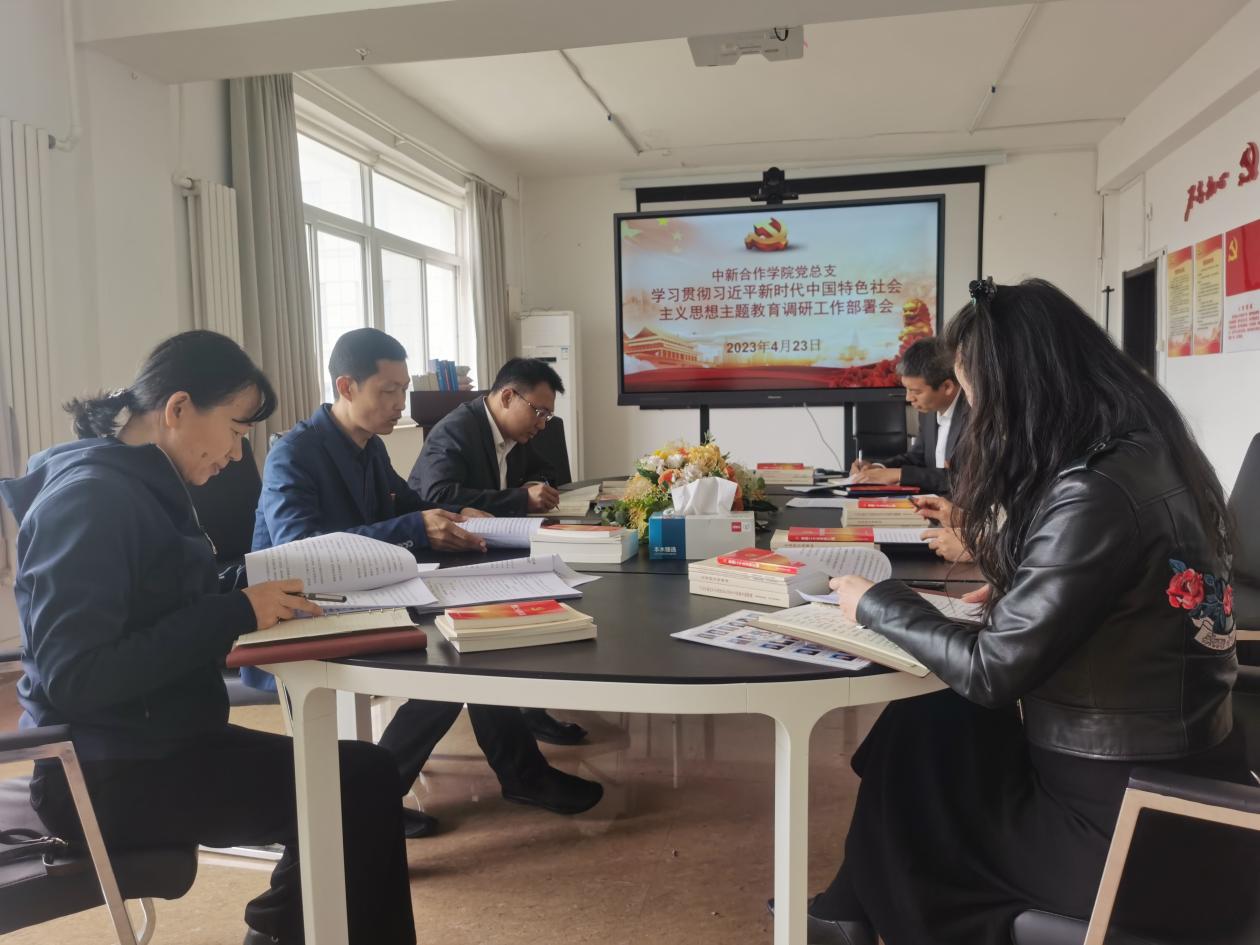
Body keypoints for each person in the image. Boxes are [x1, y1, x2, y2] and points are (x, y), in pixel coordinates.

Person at [803, 279, 1249, 945]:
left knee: (921, 796)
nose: (977, 413)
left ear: (1022, 389)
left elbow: (993, 672)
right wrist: (1025, 588)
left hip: (1126, 827)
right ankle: (847, 909)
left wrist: (878, 602)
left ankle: (853, 910)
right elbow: (1123, 593)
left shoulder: (1095, 491)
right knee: (928, 716)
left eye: (976, 394)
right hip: (1182, 776)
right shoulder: (1152, 455)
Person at [0, 331, 415, 945]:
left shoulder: (135, 483)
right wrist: (234, 611)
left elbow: (153, 602)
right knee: (359, 783)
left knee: (361, 776)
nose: (238, 453)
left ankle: (276, 931)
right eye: (237, 428)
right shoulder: (91, 499)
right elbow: (77, 676)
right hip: (108, 774)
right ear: (178, 408)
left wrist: (245, 588)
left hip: (156, 742)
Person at [253, 329, 602, 838]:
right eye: (388, 391)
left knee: (472, 645)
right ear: (346, 387)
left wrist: (457, 513)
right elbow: (299, 547)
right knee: (449, 663)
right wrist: (416, 526)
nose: (401, 403)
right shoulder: (295, 452)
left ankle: (518, 775)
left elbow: (408, 502)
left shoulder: (369, 448)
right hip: (303, 614)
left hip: (367, 595)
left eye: (403, 390)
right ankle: (373, 799)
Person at [408, 357, 590, 746]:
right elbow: (437, 495)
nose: (542, 424)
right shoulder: (456, 430)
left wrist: (536, 485)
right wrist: (520, 499)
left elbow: (546, 471)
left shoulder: (517, 434)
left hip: (491, 550)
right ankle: (524, 722)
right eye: (539, 412)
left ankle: (529, 714)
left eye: (547, 415)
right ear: (508, 397)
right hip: (449, 561)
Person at [850, 336, 968, 494]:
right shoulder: (928, 411)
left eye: (916, 392)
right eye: (906, 389)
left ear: (947, 387)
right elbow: (917, 458)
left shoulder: (976, 416)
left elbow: (963, 480)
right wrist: (878, 468)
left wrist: (899, 474)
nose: (908, 398)